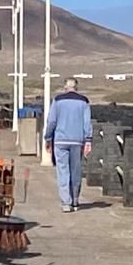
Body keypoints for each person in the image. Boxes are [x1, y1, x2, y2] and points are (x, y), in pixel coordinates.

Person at [43, 78, 93, 212]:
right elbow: (87, 122)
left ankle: (66, 202)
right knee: (76, 171)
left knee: (63, 171)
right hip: (77, 140)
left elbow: (51, 121)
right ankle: (75, 200)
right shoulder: (84, 101)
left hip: (60, 140)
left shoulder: (58, 100)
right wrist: (88, 140)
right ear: (77, 87)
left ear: (65, 87)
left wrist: (48, 138)